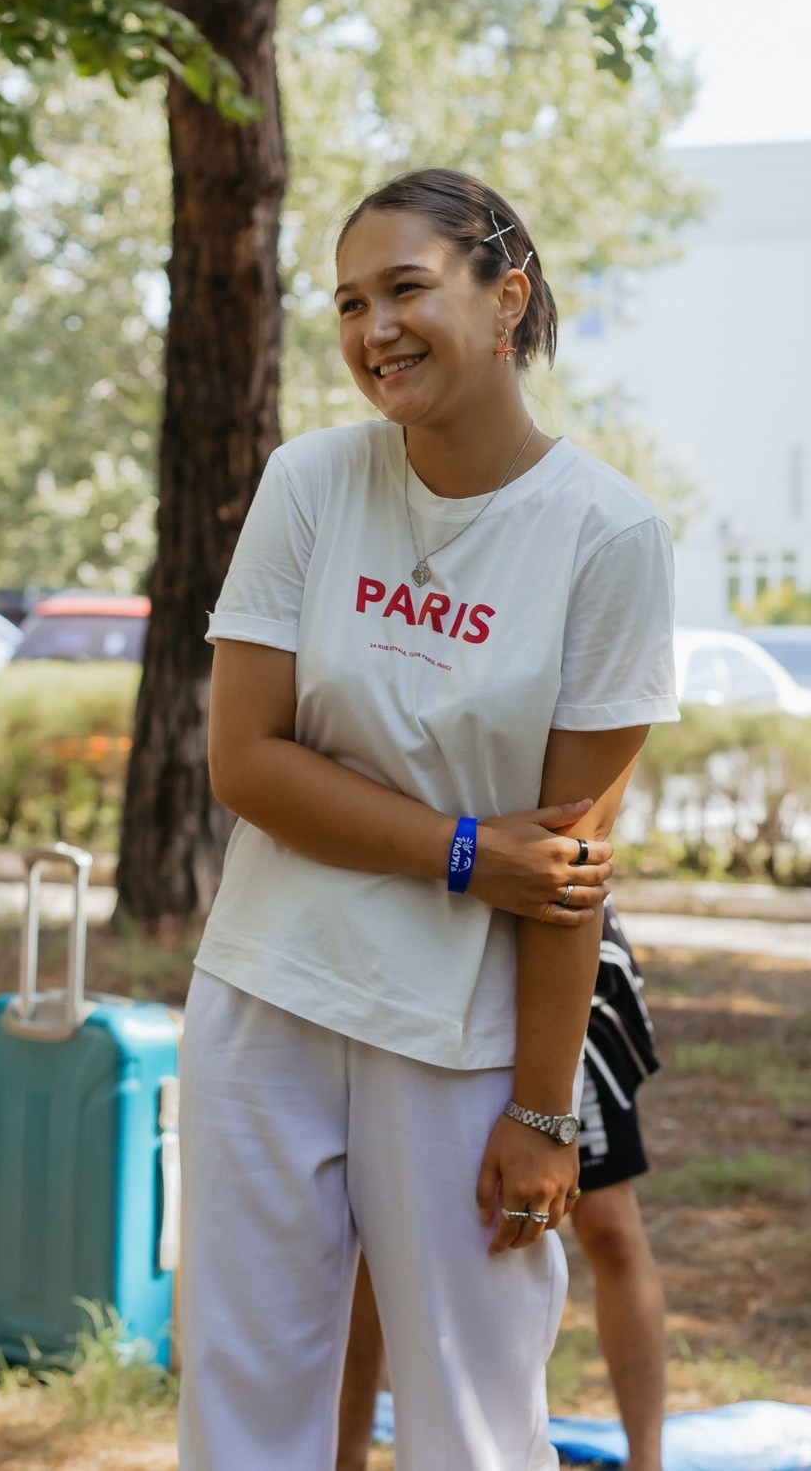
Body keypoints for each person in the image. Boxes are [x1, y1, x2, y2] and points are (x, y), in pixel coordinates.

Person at [177, 167, 678, 1471]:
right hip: (269, 997)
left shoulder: (606, 534)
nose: (374, 330)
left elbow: (566, 865)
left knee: (474, 1422)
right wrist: (462, 851)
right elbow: (248, 762)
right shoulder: (310, 481)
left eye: (405, 288)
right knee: (245, 1405)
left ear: (507, 297)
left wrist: (546, 1114)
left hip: (459, 1043)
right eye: (350, 303)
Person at [336, 902, 667, 1471]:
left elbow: (576, 859)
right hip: (417, 957)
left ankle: (648, 1460)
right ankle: (345, 1457)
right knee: (378, 1225)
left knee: (608, 1225)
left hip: (559, 955)